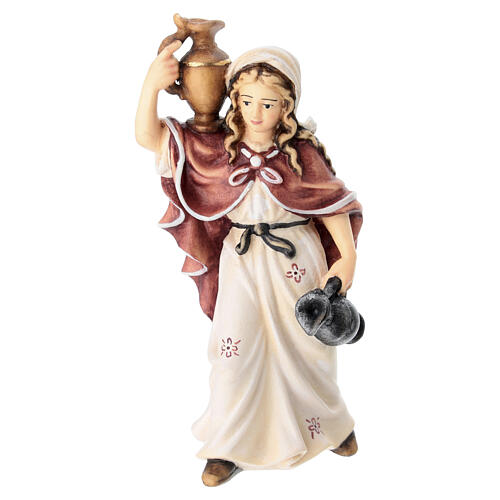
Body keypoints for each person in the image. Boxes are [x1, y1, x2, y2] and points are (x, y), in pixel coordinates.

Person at [135, 42, 363, 487]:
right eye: (246, 101)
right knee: (232, 352)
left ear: (286, 106)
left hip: (296, 260)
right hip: (242, 261)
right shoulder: (216, 146)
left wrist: (348, 256)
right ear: (234, 99)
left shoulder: (302, 151)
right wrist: (151, 86)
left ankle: (330, 425)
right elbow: (150, 138)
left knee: (308, 348)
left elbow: (330, 202)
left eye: (268, 104)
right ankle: (229, 444)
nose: (256, 113)